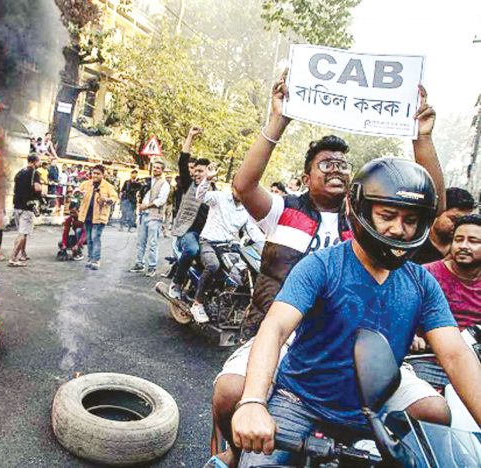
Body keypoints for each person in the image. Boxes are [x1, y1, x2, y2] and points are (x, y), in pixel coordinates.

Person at [212, 71, 446, 467]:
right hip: (285, 333)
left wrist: (421, 138)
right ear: (306, 176)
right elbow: (244, 184)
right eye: (326, 164)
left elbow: (431, 210)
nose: (337, 168)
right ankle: (231, 451)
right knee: (231, 391)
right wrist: (278, 120)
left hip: (358, 343)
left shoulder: (369, 224)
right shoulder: (282, 211)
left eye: (343, 164)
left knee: (436, 414)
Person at [231, 158, 481, 468]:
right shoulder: (321, 266)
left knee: (436, 414)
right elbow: (275, 328)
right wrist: (253, 402)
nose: (398, 229)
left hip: (371, 408)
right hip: (299, 402)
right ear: (360, 210)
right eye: (387, 216)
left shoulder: (422, 284)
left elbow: (456, 355)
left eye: (410, 220)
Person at [409, 214, 481, 390]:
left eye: (473, 241)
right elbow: (397, 314)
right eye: (458, 239)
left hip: (474, 366)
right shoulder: (425, 275)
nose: (463, 246)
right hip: (427, 362)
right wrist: (412, 336)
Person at [189, 165, 251, 324]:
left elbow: (253, 231)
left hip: (228, 247)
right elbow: (200, 196)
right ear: (233, 186)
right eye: (239, 187)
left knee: (244, 274)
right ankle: (198, 303)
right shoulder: (219, 197)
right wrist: (207, 179)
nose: (241, 192)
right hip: (209, 242)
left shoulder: (248, 209)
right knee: (213, 266)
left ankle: (231, 307)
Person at [168, 127, 212, 300]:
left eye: (201, 171)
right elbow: (183, 160)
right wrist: (190, 137)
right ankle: (176, 282)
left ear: (210, 172)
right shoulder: (189, 185)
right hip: (188, 231)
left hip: (207, 235)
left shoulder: (214, 192)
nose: (196, 174)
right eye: (196, 171)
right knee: (192, 250)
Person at [412, 187, 476, 264]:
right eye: (453, 219)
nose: (457, 225)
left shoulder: (469, 248)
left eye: (463, 222)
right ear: (437, 213)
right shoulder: (415, 242)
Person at [130, 161, 170, 277]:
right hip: (144, 214)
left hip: (155, 216)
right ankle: (139, 263)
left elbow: (161, 200)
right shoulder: (147, 181)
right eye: (155, 168)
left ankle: (152, 266)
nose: (156, 170)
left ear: (162, 170)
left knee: (153, 243)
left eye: (158, 168)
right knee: (141, 241)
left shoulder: (164, 184)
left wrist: (146, 206)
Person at [75, 165, 118, 270]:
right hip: (87, 215)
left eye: (98, 174)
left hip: (99, 217)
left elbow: (114, 198)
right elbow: (77, 192)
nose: (95, 175)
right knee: (89, 239)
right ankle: (90, 258)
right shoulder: (86, 184)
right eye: (94, 173)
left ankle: (96, 260)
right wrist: (77, 193)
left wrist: (107, 200)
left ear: (103, 175)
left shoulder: (108, 186)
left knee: (95, 237)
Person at [8, 154, 42, 267]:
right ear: (34, 162)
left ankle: (23, 254)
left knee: (22, 232)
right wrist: (41, 192)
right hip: (27, 207)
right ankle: (13, 258)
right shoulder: (34, 173)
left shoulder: (20, 172)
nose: (39, 163)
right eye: (39, 161)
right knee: (22, 233)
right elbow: (37, 187)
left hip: (17, 205)